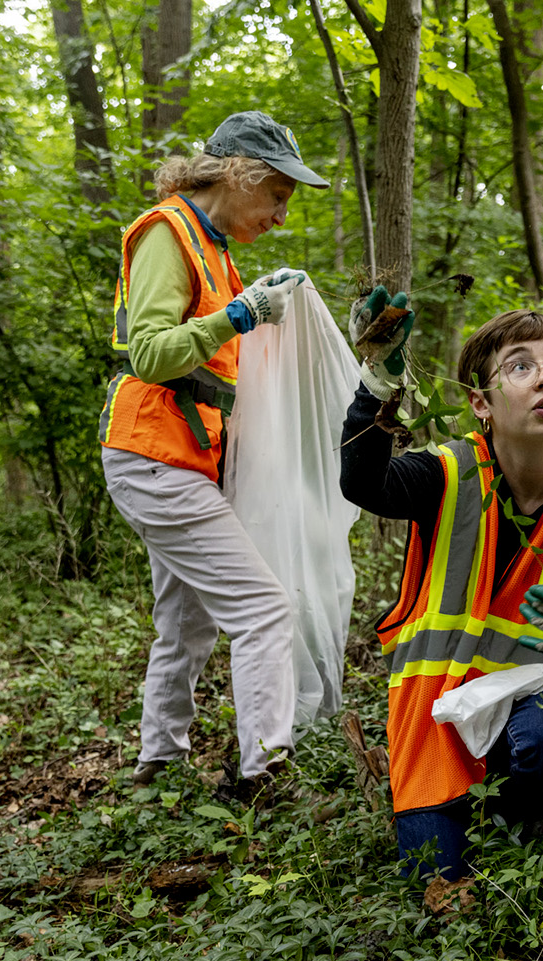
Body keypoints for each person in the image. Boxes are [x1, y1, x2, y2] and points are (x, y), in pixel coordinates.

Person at [341, 305, 543, 879]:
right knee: (437, 880)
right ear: (481, 403)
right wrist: (379, 380)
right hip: (437, 732)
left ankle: (522, 814)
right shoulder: (446, 474)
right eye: (521, 366)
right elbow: (363, 482)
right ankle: (462, 818)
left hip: (538, 719)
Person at [99, 111, 328, 791]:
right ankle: (265, 771)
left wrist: (261, 307)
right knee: (264, 609)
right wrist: (240, 314)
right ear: (239, 175)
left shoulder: (215, 249)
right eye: (277, 196)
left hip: (179, 456)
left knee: (185, 622)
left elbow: (224, 360)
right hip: (152, 455)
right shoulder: (167, 232)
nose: (281, 216)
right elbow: (149, 352)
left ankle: (157, 764)